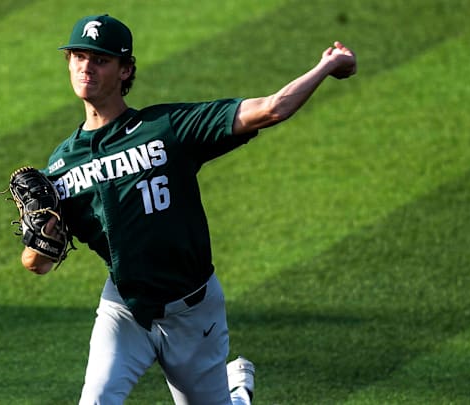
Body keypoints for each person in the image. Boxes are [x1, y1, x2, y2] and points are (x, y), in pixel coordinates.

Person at [21, 14, 357, 405]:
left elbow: (272, 109)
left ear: (125, 69)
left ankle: (237, 394)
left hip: (193, 314)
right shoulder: (63, 163)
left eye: (100, 59)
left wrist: (327, 65)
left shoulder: (168, 128)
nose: (86, 66)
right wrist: (42, 234)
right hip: (125, 309)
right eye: (78, 56)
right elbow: (38, 263)